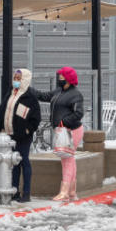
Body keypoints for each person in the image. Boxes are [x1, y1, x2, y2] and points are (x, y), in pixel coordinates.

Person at [0, 69, 42, 203]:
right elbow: (1, 110)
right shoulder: (10, 94)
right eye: (15, 78)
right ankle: (14, 191)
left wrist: (28, 130)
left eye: (19, 78)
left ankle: (26, 193)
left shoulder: (30, 97)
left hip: (23, 137)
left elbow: (36, 118)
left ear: (25, 80)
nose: (16, 81)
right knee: (13, 163)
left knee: (23, 161)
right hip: (9, 135)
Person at [37, 67, 84, 201]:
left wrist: (64, 121)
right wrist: (30, 90)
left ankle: (64, 192)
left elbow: (79, 113)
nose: (59, 79)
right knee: (70, 159)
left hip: (71, 130)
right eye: (59, 77)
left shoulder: (76, 94)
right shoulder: (58, 91)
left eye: (62, 77)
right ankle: (72, 191)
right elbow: (45, 96)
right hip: (62, 130)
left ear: (69, 79)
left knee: (67, 160)